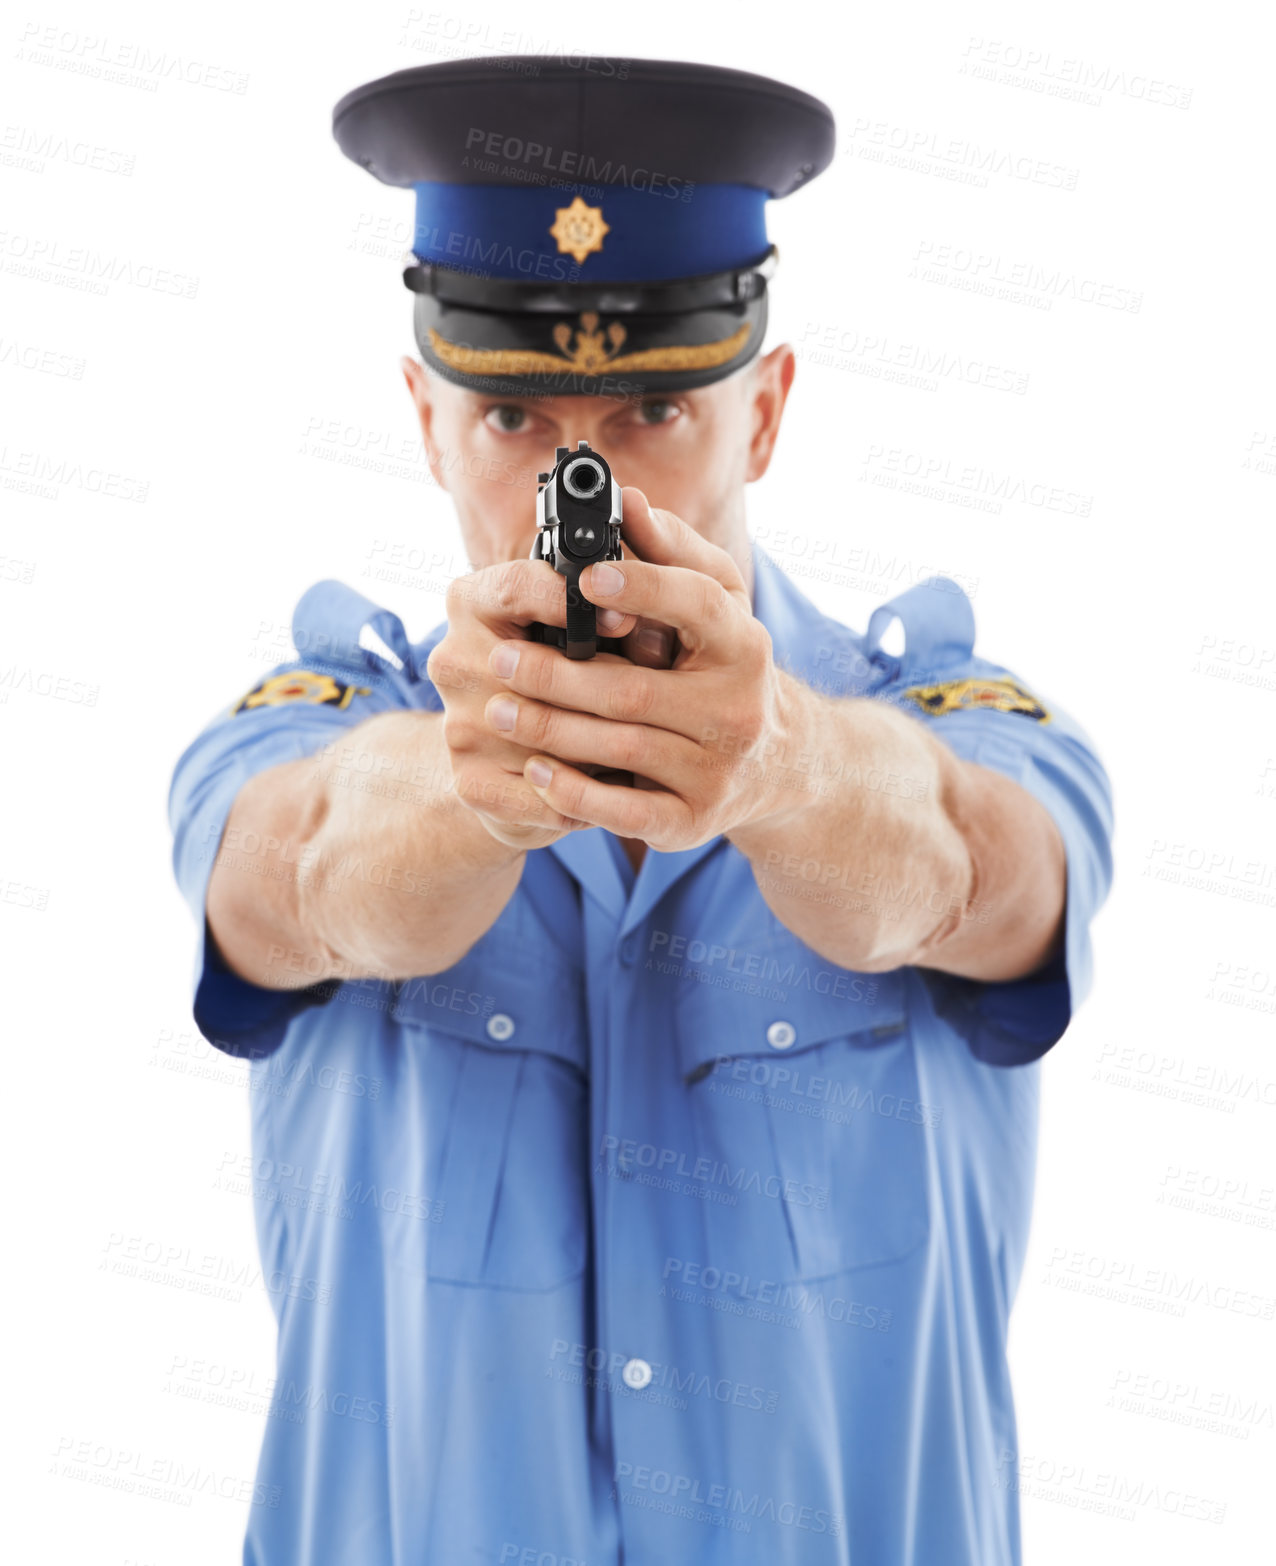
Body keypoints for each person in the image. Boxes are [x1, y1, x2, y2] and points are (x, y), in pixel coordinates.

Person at [169, 56, 1114, 1566]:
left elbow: (978, 871)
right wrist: (480, 785)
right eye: (513, 421)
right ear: (423, 418)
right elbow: (296, 876)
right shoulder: (323, 729)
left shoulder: (943, 718)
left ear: (769, 409)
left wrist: (782, 768)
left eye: (660, 405)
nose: (582, 479)